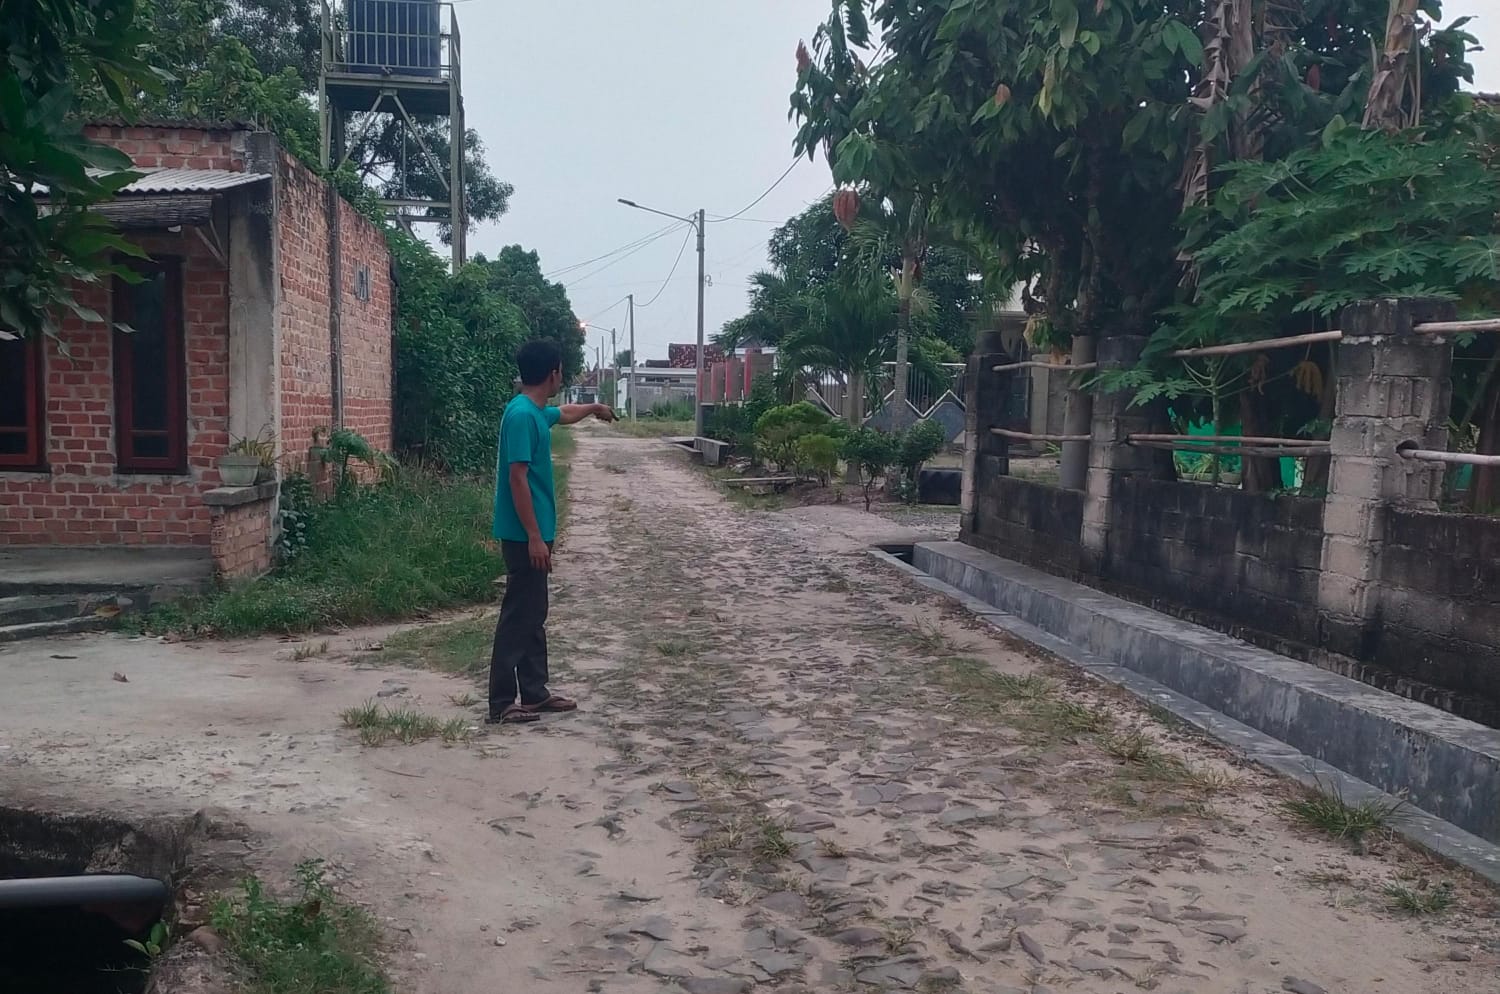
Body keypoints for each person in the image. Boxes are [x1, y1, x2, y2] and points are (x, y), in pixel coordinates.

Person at [488, 339, 614, 724]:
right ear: (554, 372)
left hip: (534, 531)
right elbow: (518, 479)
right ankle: (502, 702)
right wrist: (534, 536)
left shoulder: (534, 411)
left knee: (533, 612)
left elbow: (565, 413)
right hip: (524, 534)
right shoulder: (522, 416)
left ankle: (535, 692)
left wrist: (593, 408)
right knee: (518, 615)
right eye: (561, 370)